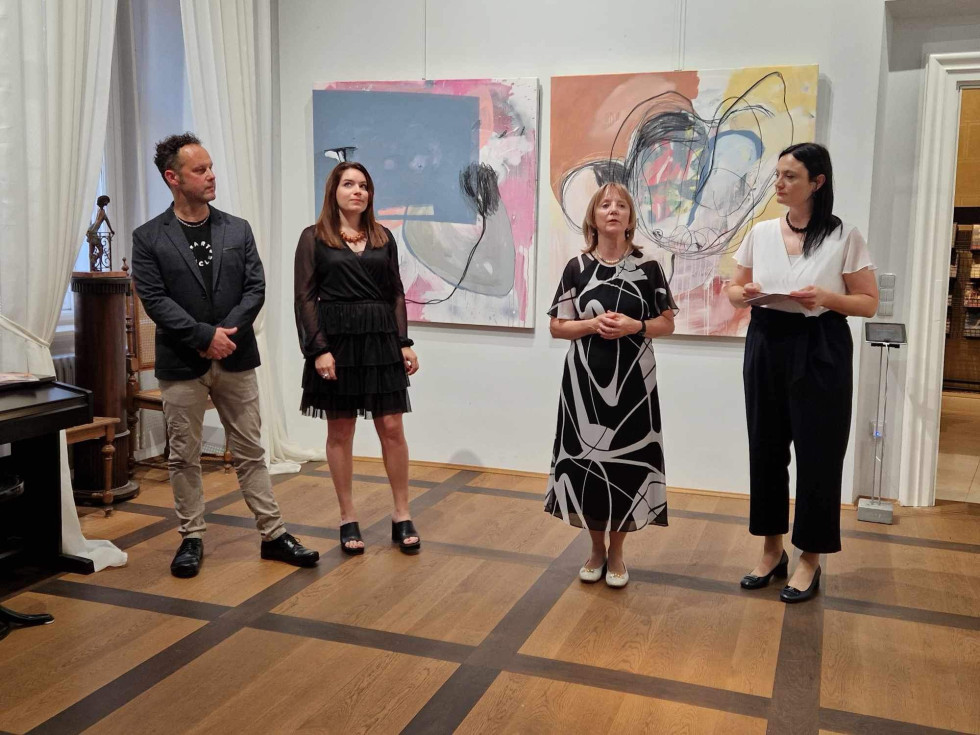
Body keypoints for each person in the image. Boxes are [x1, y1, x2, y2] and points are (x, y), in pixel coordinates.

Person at [132, 133, 320, 578]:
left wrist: (224, 335)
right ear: (173, 177)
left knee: (252, 450)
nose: (211, 175)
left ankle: (273, 535)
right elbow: (154, 300)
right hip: (182, 362)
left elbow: (256, 287)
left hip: (235, 355)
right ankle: (191, 537)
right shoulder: (148, 237)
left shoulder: (237, 228)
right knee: (184, 455)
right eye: (200, 170)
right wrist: (204, 336)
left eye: (211, 167)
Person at [728, 142, 878, 603]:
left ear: (817, 182)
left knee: (819, 455)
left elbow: (868, 303)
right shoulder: (760, 232)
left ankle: (809, 558)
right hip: (767, 341)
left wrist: (827, 298)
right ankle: (771, 551)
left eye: (790, 176)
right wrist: (745, 293)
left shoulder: (844, 235)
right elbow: (733, 290)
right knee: (766, 450)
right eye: (778, 174)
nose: (779, 183)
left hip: (821, 346)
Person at [545, 182, 677, 588]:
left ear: (630, 217)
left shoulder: (648, 268)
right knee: (587, 466)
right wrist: (591, 324)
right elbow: (557, 326)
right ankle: (596, 549)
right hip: (583, 384)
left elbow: (667, 324)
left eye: (621, 205)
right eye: (605, 205)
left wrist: (635, 326)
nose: (613, 210)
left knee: (624, 466)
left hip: (635, 384)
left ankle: (617, 552)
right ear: (594, 216)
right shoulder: (577, 267)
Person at [294, 162, 420, 555]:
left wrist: (403, 341)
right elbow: (304, 298)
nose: (357, 191)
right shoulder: (313, 237)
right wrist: (318, 349)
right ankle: (347, 517)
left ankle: (402, 514)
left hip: (380, 339)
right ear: (333, 191)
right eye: (348, 184)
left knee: (392, 427)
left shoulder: (383, 237)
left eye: (363, 185)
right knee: (340, 431)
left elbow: (395, 292)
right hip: (337, 342)